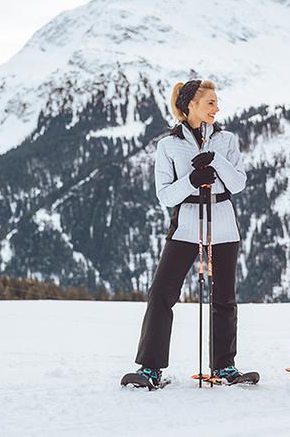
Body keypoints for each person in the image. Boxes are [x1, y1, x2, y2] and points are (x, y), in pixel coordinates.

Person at [121, 79, 255, 389]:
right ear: (189, 105)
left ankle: (225, 366)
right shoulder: (168, 145)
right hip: (185, 225)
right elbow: (165, 196)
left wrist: (215, 161)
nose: (217, 108)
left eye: (216, 102)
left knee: (224, 298)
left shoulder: (227, 140)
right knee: (161, 294)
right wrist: (193, 180)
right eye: (210, 102)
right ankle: (150, 368)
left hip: (223, 224)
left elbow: (238, 183)